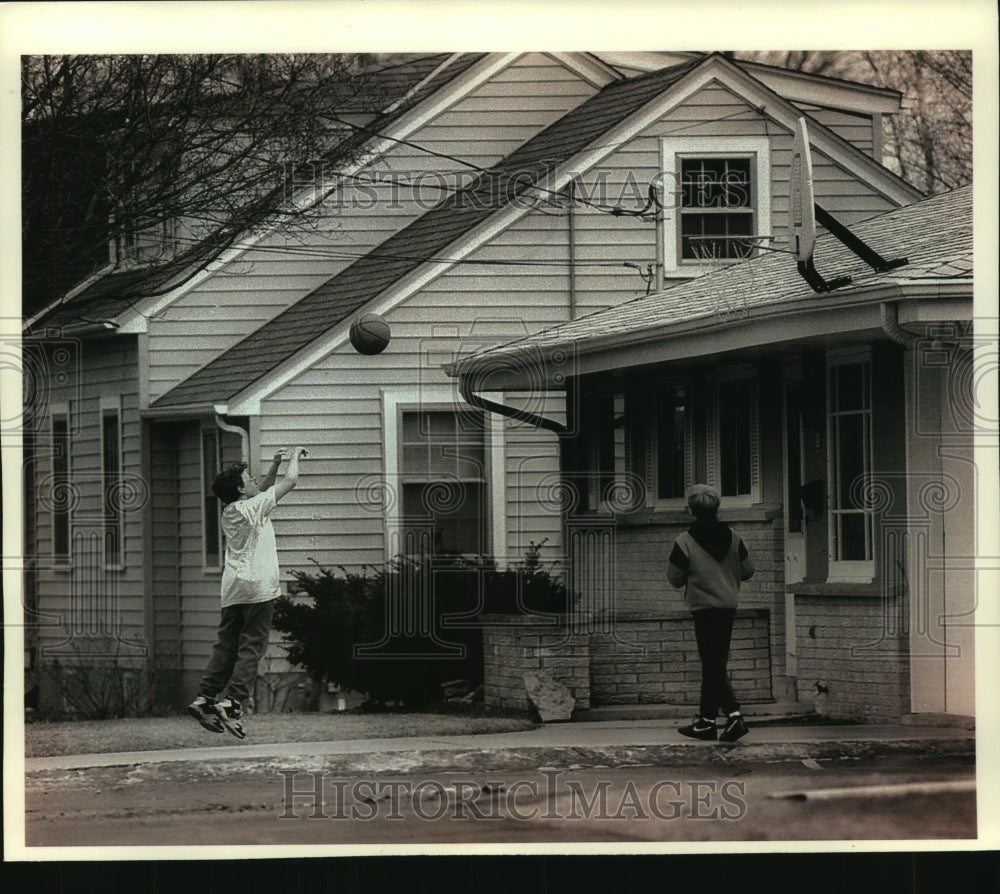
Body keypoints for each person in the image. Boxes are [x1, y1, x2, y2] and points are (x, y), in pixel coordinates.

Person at [188, 446, 308, 738]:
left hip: (233, 589)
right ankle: (232, 702)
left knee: (226, 645)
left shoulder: (233, 510)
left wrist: (275, 463)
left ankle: (206, 698)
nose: (255, 479)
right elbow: (289, 483)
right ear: (242, 489)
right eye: (249, 478)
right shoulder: (252, 507)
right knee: (251, 646)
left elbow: (263, 489)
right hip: (258, 589)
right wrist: (293, 457)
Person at [667, 483, 755, 743]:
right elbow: (749, 570)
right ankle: (706, 721)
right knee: (714, 664)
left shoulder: (684, 541)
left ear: (690, 510)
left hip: (703, 608)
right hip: (728, 606)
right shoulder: (734, 536)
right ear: (717, 507)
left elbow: (674, 578)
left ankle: (734, 715)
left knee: (712, 665)